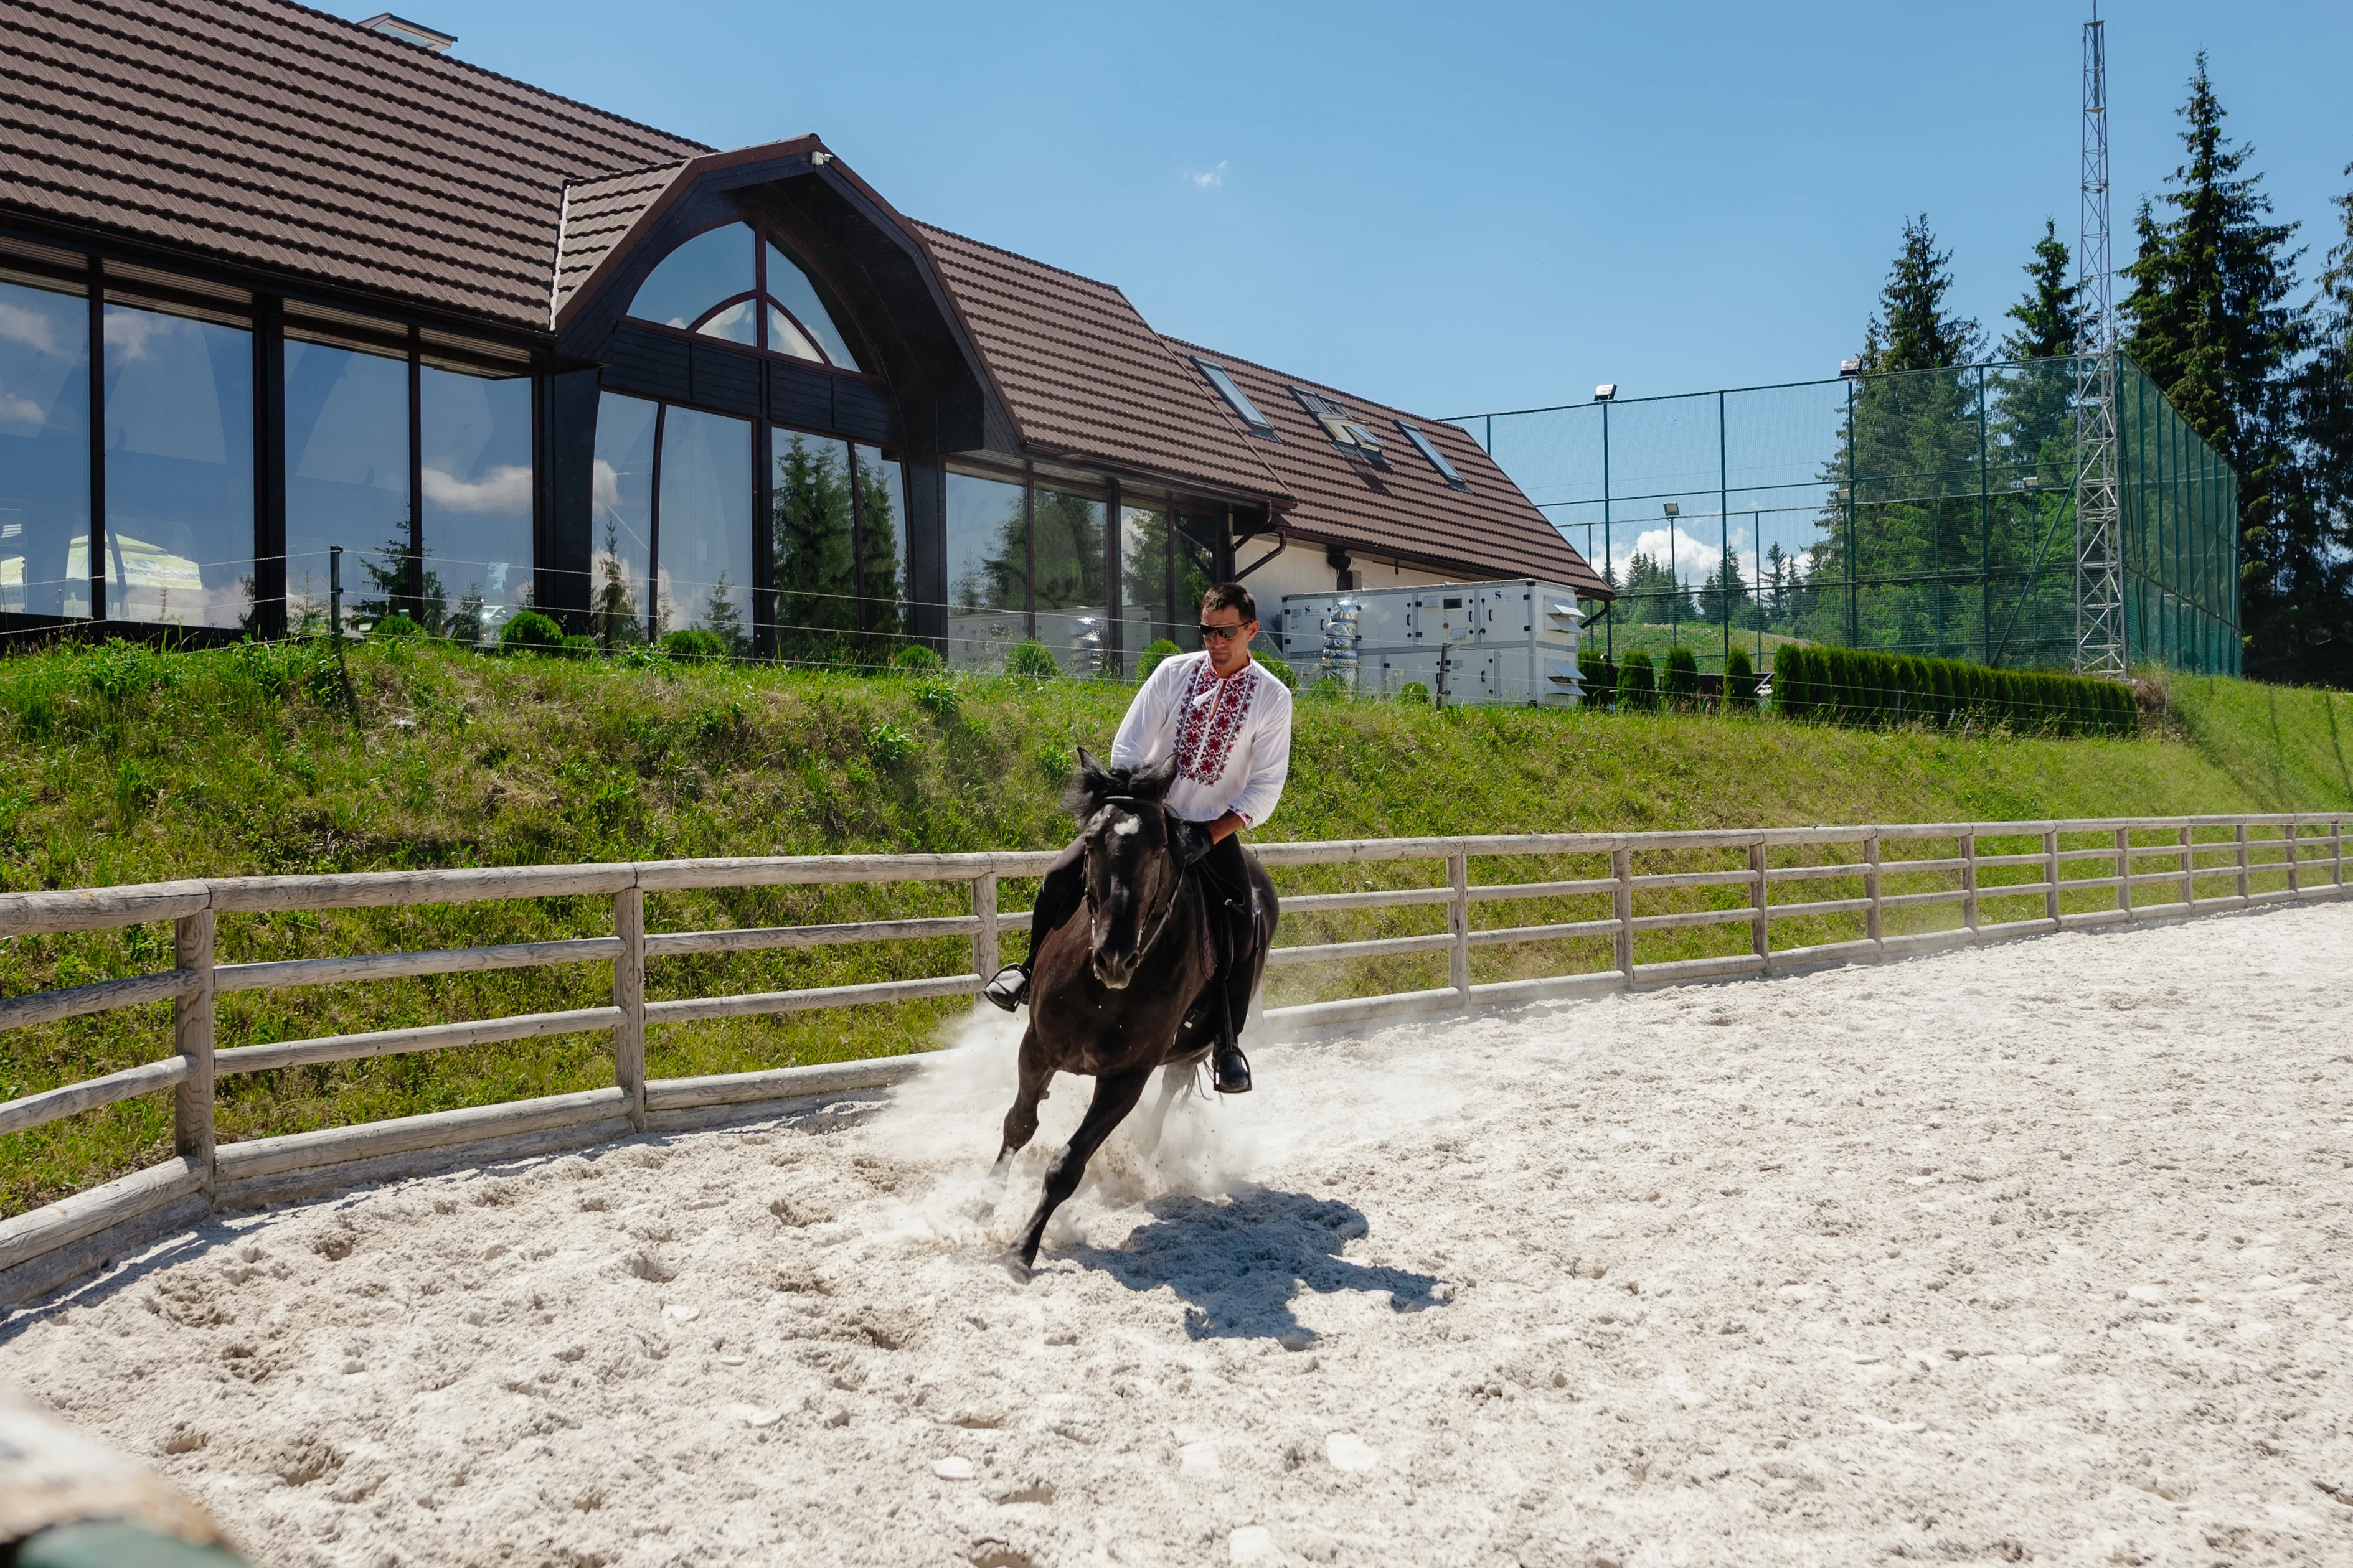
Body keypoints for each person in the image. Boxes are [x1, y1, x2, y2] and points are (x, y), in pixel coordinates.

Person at [983, 582, 1293, 1094]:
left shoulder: (1272, 697)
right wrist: (1141, 806)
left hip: (1209, 832)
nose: (1216, 641)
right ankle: (1028, 971)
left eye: (1227, 632)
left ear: (1251, 630)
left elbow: (1265, 785)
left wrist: (1210, 833)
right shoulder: (1173, 672)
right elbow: (1128, 745)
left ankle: (1226, 1042)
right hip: (1146, 817)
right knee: (1058, 876)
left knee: (1243, 921)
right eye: (1208, 631)